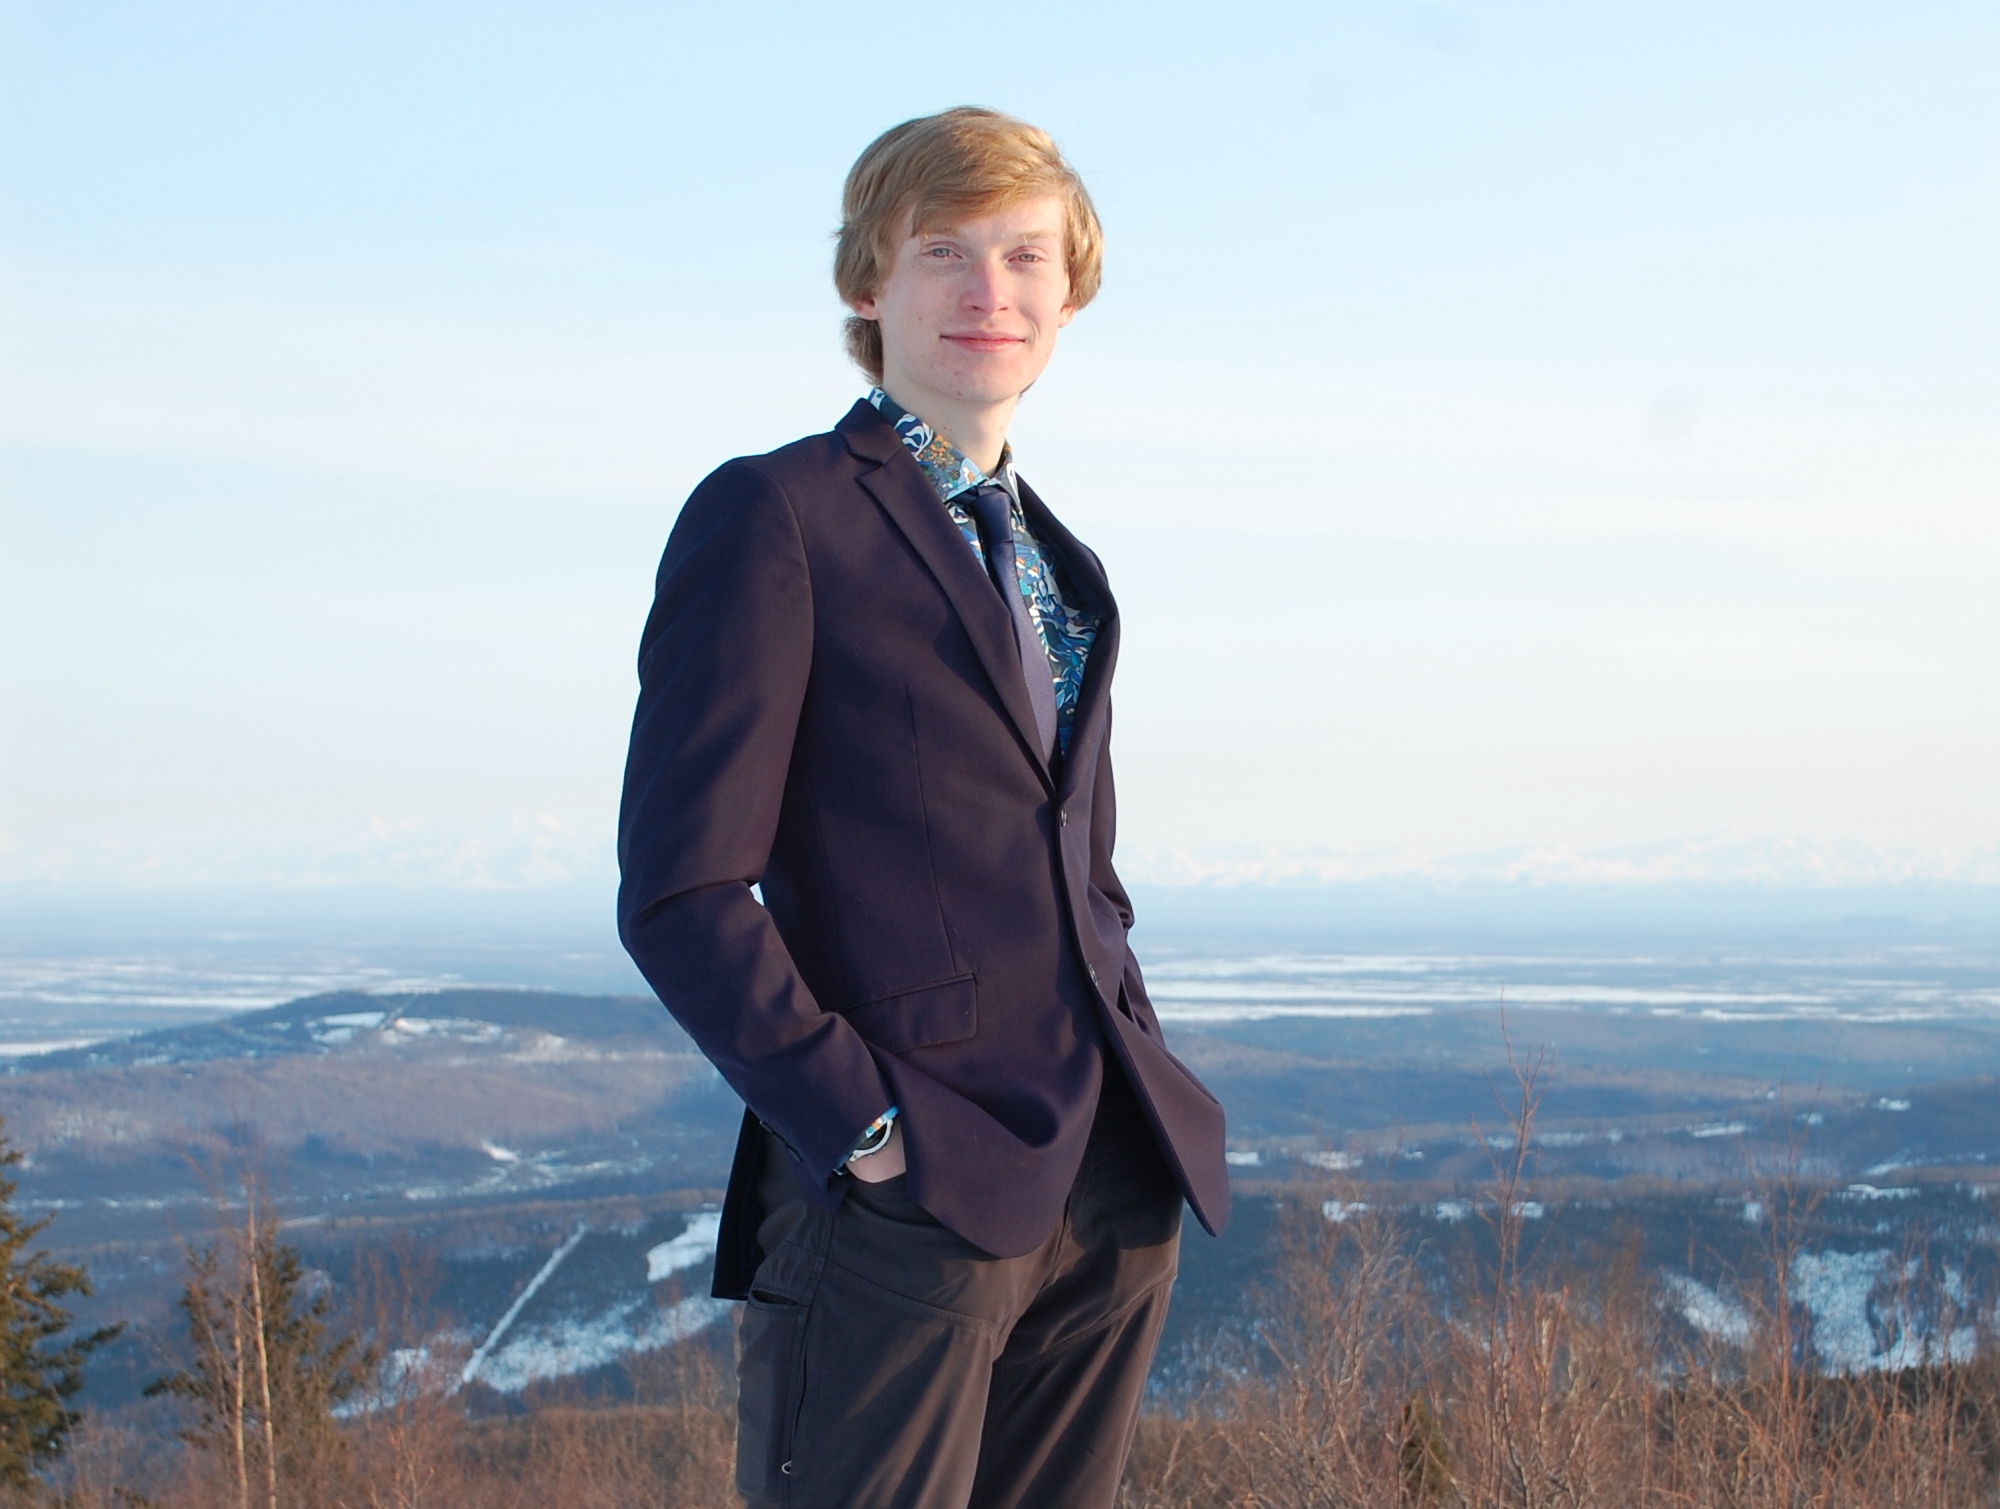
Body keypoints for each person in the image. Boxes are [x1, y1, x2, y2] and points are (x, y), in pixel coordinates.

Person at [617, 106, 1229, 1509]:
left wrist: (1133, 1051)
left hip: (1108, 1189)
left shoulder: (1062, 568)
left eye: (1023, 255)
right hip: (900, 1199)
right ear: (865, 283)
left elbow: (1085, 871)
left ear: (1068, 295)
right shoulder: (776, 517)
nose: (987, 289)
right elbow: (680, 891)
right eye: (942, 250)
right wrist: (866, 1128)